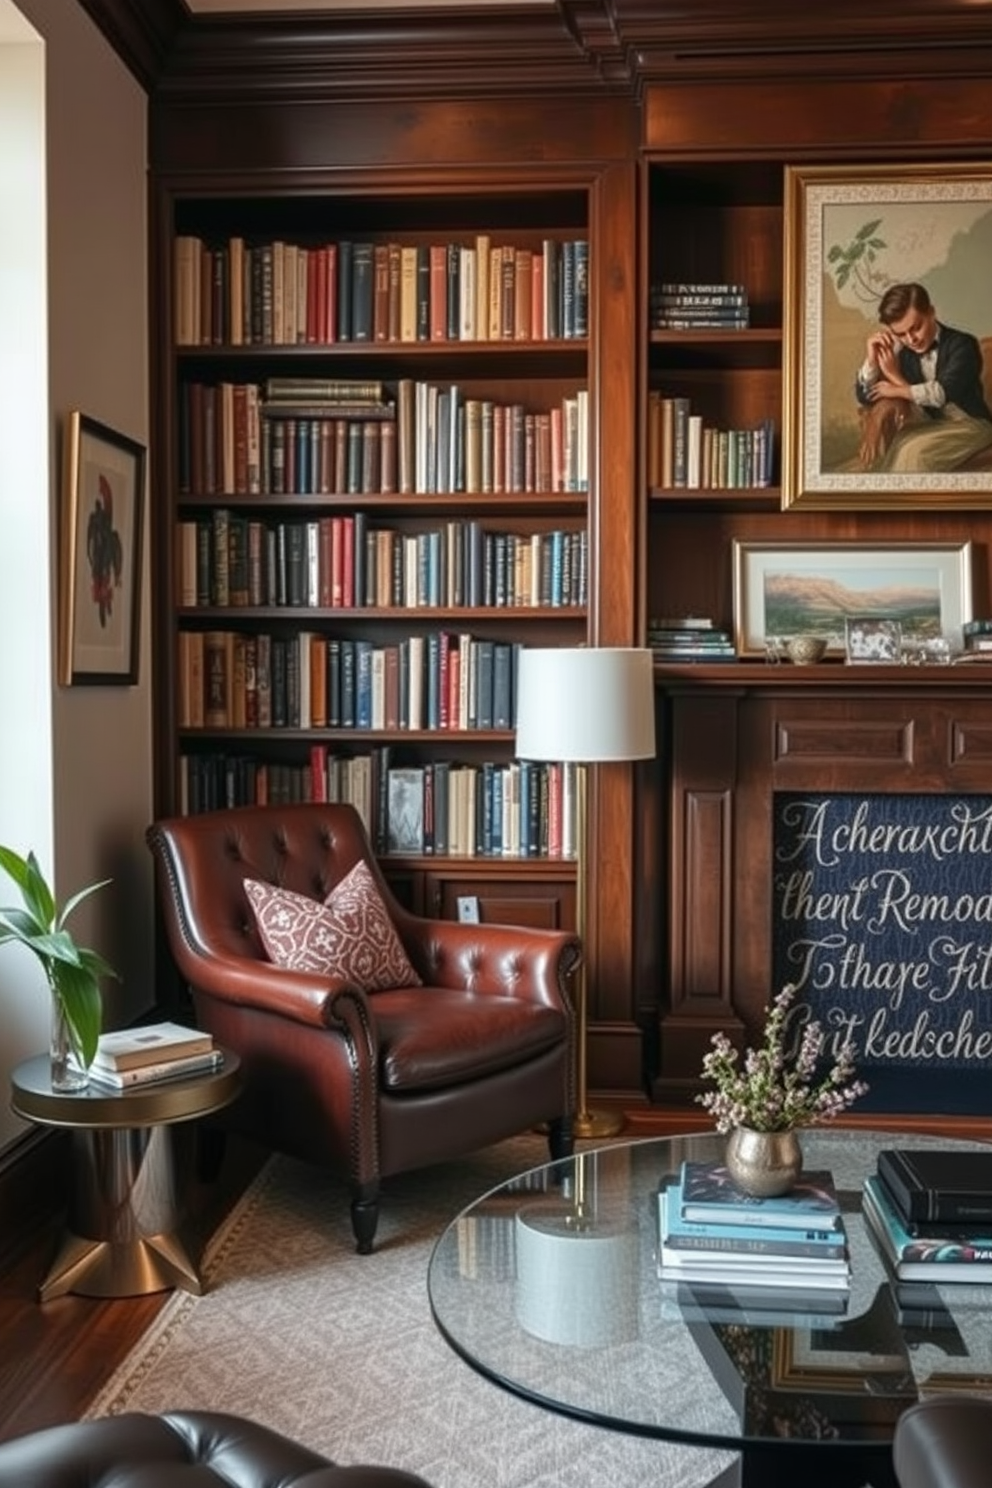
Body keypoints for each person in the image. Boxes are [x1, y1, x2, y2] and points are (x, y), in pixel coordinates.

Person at [854, 281, 992, 473]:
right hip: (935, 424)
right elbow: (865, 395)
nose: (911, 339)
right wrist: (871, 359)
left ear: (931, 313)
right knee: (898, 445)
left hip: (972, 425)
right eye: (901, 334)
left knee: (914, 453)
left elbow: (941, 393)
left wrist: (895, 381)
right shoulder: (904, 352)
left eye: (916, 327)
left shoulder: (962, 344)